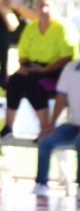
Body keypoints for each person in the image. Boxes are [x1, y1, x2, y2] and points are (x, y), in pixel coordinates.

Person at [0, 0, 78, 141]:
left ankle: (45, 128)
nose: (43, 10)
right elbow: (23, 53)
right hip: (34, 67)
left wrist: (44, 70)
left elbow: (68, 58)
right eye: (40, 6)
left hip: (57, 70)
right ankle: (8, 126)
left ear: (55, 7)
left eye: (47, 6)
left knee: (33, 83)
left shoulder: (63, 27)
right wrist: (23, 67)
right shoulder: (31, 27)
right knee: (15, 80)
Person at [34, 59, 80, 197]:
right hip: (73, 125)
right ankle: (41, 184)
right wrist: (51, 124)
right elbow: (61, 97)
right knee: (45, 140)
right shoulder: (70, 68)